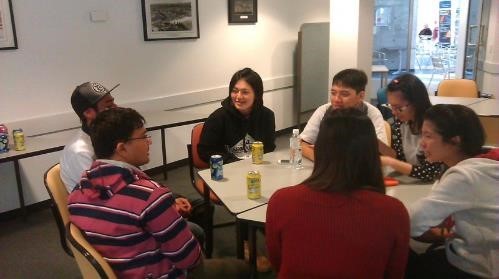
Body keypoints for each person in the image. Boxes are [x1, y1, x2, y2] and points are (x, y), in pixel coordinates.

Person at [68, 108, 249, 279]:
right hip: (159, 273)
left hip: (122, 269)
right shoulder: (150, 197)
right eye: (143, 137)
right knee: (242, 269)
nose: (149, 141)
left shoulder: (77, 193)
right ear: (121, 148)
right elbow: (188, 259)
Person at [266, 108, 410, 278]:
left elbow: (278, 262)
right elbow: (394, 273)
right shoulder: (393, 212)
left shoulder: (282, 201)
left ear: (319, 150)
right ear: (371, 154)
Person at [60, 82, 205, 244]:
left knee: (200, 206)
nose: (116, 107)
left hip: (131, 201)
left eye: (114, 102)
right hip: (115, 221)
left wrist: (170, 199)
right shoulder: (81, 152)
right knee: (193, 230)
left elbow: (135, 178)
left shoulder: (108, 138)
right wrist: (165, 206)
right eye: (109, 106)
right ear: (88, 112)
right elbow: (109, 200)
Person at [407, 104, 499, 278]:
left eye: (428, 136)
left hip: (478, 267)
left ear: (455, 140)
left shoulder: (466, 176)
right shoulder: (488, 161)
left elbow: (412, 221)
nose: (422, 143)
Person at [300, 68, 387, 161]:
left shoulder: (372, 113)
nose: (337, 99)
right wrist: (322, 160)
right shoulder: (323, 110)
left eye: (344, 94)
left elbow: (384, 153)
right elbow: (301, 143)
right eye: (333, 93)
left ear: (361, 96)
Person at [198, 68, 276, 164]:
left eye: (245, 92)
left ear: (257, 94)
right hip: (228, 168)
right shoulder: (217, 118)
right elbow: (205, 151)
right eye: (235, 91)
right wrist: (235, 162)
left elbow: (269, 148)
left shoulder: (267, 116)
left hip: (257, 167)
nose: (238, 97)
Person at [381, 74, 443, 181]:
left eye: (399, 108)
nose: (394, 113)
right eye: (391, 107)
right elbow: (401, 160)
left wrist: (390, 162)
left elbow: (430, 172)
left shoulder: (436, 125)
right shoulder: (400, 124)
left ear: (416, 102)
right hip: (413, 183)